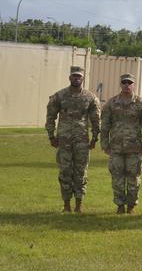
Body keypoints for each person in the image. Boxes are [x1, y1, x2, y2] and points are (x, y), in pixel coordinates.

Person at [45, 65, 100, 213]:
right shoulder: (59, 96)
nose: (76, 78)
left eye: (79, 76)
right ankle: (66, 204)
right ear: (69, 78)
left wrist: (94, 138)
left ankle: (79, 204)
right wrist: (51, 136)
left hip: (82, 141)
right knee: (65, 172)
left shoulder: (90, 97)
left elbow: (96, 119)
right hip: (64, 141)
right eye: (74, 76)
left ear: (83, 78)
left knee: (81, 172)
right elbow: (50, 116)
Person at [100, 73, 142, 214]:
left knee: (133, 178)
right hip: (115, 148)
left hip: (134, 148)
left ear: (134, 85)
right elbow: (105, 125)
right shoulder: (111, 103)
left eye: (129, 83)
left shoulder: (141, 103)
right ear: (120, 84)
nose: (127, 85)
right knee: (117, 178)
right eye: (124, 82)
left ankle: (131, 206)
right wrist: (105, 144)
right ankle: (120, 206)